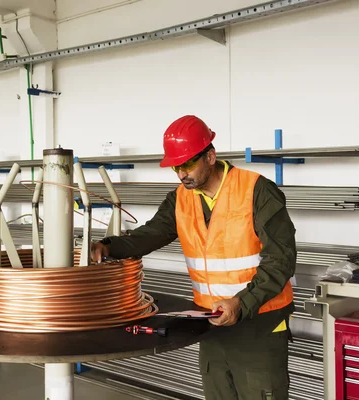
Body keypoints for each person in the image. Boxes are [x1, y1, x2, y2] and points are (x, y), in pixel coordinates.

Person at [91, 115, 297, 400]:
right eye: (175, 166)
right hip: (211, 323)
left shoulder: (257, 191)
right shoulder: (181, 198)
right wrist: (108, 247)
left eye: (187, 164)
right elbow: (151, 233)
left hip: (259, 325)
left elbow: (281, 260)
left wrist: (242, 303)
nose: (180, 174)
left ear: (210, 156)